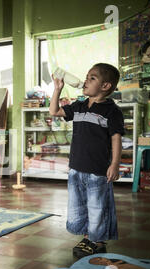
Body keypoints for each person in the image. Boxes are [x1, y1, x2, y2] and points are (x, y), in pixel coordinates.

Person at [49, 63, 124, 258]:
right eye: (87, 76)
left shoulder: (111, 111)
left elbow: (116, 138)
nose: (85, 81)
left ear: (105, 86)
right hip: (76, 167)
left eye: (92, 78)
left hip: (97, 170)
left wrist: (114, 163)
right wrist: (57, 89)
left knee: (97, 206)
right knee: (79, 205)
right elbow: (54, 111)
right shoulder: (79, 105)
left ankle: (97, 240)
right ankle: (88, 236)